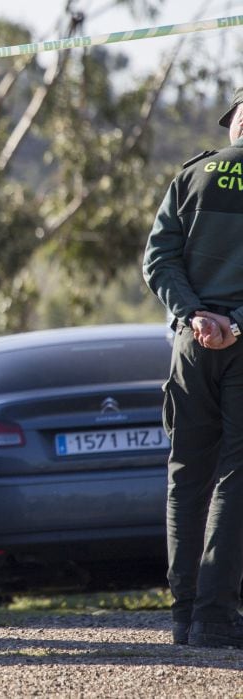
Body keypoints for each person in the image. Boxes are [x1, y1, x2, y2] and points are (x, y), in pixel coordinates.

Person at [143, 87, 243, 649]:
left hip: (191, 345)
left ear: (236, 121)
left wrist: (195, 315)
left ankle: (184, 617)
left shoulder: (193, 176)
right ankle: (215, 617)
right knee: (236, 475)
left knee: (187, 475)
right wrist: (236, 322)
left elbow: (159, 258)